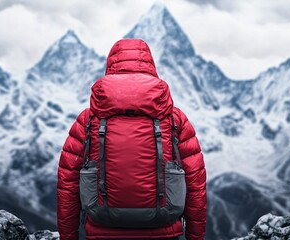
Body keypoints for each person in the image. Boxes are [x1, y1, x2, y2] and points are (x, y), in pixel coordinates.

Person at [57, 38, 206, 240]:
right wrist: (196, 237)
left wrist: (68, 236)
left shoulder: (89, 119)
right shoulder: (174, 119)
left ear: (110, 66)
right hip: (163, 230)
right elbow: (196, 183)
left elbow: (68, 182)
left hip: (103, 229)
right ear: (151, 67)